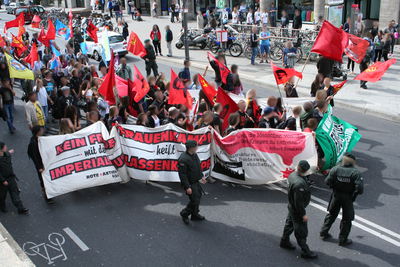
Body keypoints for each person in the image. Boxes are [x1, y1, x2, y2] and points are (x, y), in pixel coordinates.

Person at [320, 152, 364, 246]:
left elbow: (327, 181)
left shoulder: (335, 169)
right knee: (347, 219)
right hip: (348, 198)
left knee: (331, 214)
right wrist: (354, 194)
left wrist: (335, 187)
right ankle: (343, 239)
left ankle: (323, 233)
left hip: (336, 195)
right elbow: (360, 189)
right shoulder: (355, 173)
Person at [280, 160, 317, 259]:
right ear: (305, 171)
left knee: (289, 223)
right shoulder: (299, 184)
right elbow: (298, 203)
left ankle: (284, 241)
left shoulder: (292, 175)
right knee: (301, 231)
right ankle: (305, 251)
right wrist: (303, 214)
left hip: (291, 206)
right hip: (297, 210)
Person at [178, 140, 207, 224]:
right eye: (196, 146)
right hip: (190, 183)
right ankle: (184, 213)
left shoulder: (194, 155)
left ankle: (194, 215)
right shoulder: (183, 159)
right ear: (191, 148)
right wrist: (187, 187)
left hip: (195, 181)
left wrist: (201, 177)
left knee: (198, 197)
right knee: (194, 200)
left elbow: (198, 167)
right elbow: (182, 175)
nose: (197, 147)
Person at [0, 142, 29, 214]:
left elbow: (8, 154)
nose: (6, 147)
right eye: (4, 146)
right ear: (1, 149)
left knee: (15, 193)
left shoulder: (7, 155)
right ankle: (2, 207)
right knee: (2, 195)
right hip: (3, 181)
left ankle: (21, 208)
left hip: (11, 178)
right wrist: (3, 180)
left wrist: (10, 152)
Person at [27, 126, 54, 203]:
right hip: (40, 165)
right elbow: (35, 157)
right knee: (43, 180)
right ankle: (47, 196)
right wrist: (39, 167)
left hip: (44, 162)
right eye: (41, 130)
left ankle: (49, 193)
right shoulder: (33, 143)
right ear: (37, 132)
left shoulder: (39, 139)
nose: (43, 131)